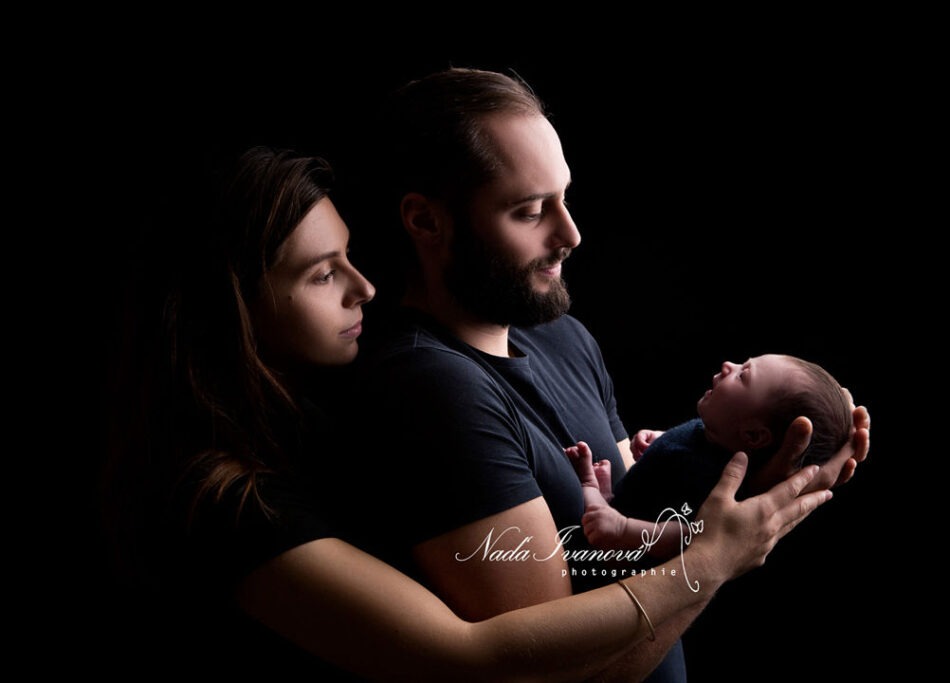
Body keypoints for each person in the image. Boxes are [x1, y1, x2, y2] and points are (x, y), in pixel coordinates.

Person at [103, 145, 847, 681]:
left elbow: (634, 503)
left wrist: (743, 490)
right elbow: (476, 657)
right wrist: (712, 559)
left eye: (352, 257)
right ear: (232, 312)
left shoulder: (306, 422)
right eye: (323, 273)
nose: (364, 288)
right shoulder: (229, 502)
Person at [341, 67, 870, 682]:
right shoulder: (427, 387)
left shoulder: (561, 335)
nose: (570, 234)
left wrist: (746, 498)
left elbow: (641, 521)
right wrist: (716, 556)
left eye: (564, 198)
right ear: (426, 221)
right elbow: (567, 674)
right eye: (529, 211)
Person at [565, 354, 853, 559]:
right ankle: (608, 500)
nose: (729, 365)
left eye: (743, 375)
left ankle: (596, 495)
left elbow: (691, 536)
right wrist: (658, 440)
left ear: (753, 435)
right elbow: (688, 441)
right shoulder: (712, 434)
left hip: (625, 553)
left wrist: (623, 529)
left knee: (598, 517)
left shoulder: (723, 481)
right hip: (631, 503)